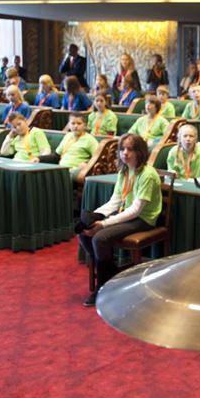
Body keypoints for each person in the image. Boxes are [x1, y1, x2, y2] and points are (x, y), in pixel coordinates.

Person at [79, 133, 162, 306]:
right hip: (129, 215)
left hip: (144, 219)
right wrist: (96, 216)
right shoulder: (124, 171)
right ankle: (111, 275)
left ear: (140, 152)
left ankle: (103, 286)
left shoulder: (147, 174)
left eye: (130, 149)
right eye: (122, 149)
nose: (125, 153)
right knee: (83, 232)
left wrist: (104, 223)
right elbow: (115, 200)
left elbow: (136, 210)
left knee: (100, 238)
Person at [56, 114, 101, 181]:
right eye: (73, 123)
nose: (75, 126)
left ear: (85, 125)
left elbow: (98, 157)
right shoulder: (67, 136)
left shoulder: (90, 140)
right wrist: (39, 159)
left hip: (75, 169)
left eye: (79, 123)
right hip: (60, 168)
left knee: (61, 177)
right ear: (69, 125)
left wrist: (87, 163)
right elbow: (56, 155)